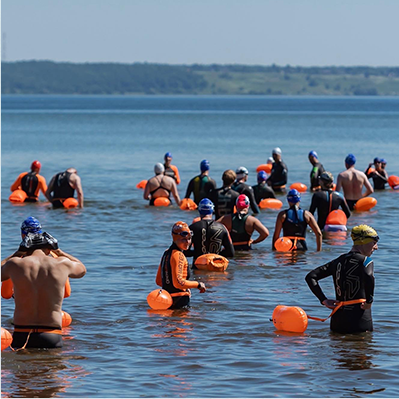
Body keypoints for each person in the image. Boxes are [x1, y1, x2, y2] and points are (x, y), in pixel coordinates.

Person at [1, 217, 86, 349]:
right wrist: (59, 251)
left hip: (22, 334)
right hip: (52, 335)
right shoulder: (61, 263)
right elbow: (82, 270)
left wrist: (17, 253)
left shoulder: (15, 264)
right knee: (51, 367)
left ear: (23, 237)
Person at [305, 224, 378, 333]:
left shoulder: (338, 261)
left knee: (339, 347)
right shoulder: (366, 261)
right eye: (374, 242)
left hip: (338, 319)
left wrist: (323, 300)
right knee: (363, 348)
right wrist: (369, 301)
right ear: (363, 241)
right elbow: (369, 276)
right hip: (359, 318)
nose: (376, 247)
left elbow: (311, 277)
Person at [156, 221, 206, 309]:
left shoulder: (166, 253)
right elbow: (179, 283)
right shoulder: (178, 255)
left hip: (167, 301)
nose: (187, 242)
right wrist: (198, 284)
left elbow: (159, 281)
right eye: (183, 239)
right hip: (179, 301)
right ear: (175, 238)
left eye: (189, 238)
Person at [186, 198, 234, 266]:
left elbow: (185, 251)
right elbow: (231, 253)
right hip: (216, 265)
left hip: (198, 266)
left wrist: (196, 253)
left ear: (199, 210)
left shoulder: (192, 228)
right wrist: (216, 254)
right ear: (212, 210)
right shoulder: (223, 228)